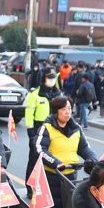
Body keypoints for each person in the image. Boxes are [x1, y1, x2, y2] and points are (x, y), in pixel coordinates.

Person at [34, 96, 98, 208]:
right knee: (48, 207)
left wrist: (92, 159)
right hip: (51, 174)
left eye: (69, 108)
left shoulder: (76, 128)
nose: (67, 112)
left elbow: (85, 148)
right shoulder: (47, 127)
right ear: (56, 112)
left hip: (71, 175)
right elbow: (39, 149)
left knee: (67, 207)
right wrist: (56, 163)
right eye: (64, 109)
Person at [23, 69, 63, 197]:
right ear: (43, 79)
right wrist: (31, 132)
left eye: (53, 78)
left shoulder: (58, 93)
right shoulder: (35, 94)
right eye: (49, 78)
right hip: (38, 129)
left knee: (51, 160)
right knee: (34, 161)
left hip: (54, 130)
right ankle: (30, 187)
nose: (51, 81)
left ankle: (47, 187)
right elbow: (29, 114)